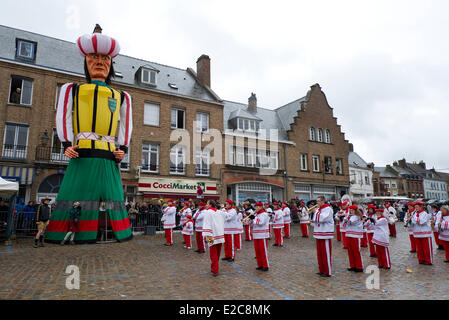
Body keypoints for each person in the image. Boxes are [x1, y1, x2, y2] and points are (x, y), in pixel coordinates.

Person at [46, 26, 133, 244]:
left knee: (113, 197)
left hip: (109, 153)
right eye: (94, 56)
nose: (100, 61)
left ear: (111, 63)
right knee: (76, 193)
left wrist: (122, 148)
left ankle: (118, 230)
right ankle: (70, 231)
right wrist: (66, 142)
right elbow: (63, 116)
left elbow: (126, 125)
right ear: (86, 60)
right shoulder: (72, 89)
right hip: (82, 150)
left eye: (105, 58)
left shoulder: (122, 96)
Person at [311, 196, 334, 277]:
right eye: (317, 201)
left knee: (326, 253)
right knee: (320, 254)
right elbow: (316, 219)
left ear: (323, 201)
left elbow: (323, 218)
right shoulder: (319, 210)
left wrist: (315, 212)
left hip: (325, 233)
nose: (317, 203)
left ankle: (327, 272)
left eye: (318, 201)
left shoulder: (328, 209)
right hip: (319, 233)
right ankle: (321, 270)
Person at [202, 200, 226, 276]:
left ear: (210, 205)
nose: (206, 205)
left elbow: (206, 224)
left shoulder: (208, 212)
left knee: (213, 254)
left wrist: (206, 235)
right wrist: (223, 208)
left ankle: (215, 270)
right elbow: (227, 216)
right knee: (217, 253)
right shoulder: (220, 212)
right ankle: (214, 267)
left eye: (207, 203)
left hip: (211, 235)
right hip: (220, 235)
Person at [249, 202, 270, 271]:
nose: (257, 208)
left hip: (262, 234)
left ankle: (265, 265)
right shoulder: (257, 214)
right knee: (257, 251)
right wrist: (251, 219)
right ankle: (260, 264)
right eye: (256, 207)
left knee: (263, 250)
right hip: (256, 234)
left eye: (258, 207)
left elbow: (261, 222)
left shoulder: (264, 214)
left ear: (261, 207)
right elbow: (253, 224)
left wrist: (254, 218)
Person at [344, 206, 364, 272]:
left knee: (356, 251)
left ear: (355, 210)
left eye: (352, 210)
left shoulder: (357, 216)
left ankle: (359, 266)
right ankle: (352, 265)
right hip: (349, 234)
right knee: (350, 251)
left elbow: (350, 222)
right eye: (350, 210)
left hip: (355, 235)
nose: (351, 211)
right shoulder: (351, 216)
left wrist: (346, 219)